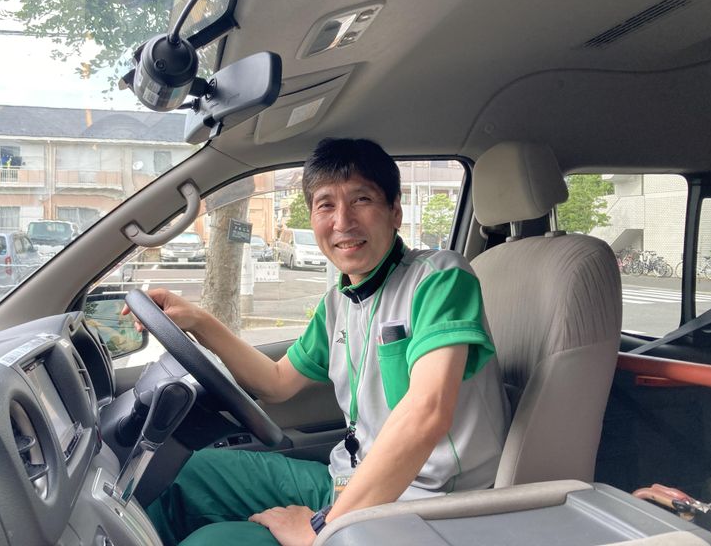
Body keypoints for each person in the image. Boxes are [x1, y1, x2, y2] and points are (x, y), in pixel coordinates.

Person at [137, 138, 510, 546]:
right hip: (348, 484)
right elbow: (276, 382)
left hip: (426, 507)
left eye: (361, 199)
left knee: (216, 542)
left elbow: (428, 411)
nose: (343, 221)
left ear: (395, 211)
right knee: (188, 474)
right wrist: (198, 321)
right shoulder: (339, 301)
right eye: (325, 205)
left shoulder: (440, 278)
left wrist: (322, 527)